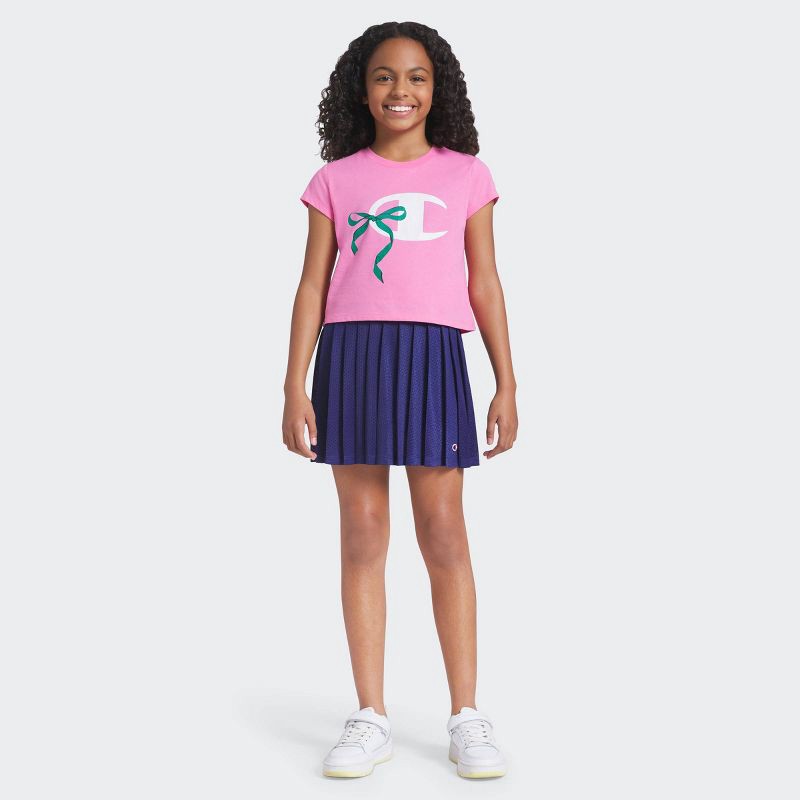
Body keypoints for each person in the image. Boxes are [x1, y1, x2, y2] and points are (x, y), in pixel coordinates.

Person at [282, 21, 518, 780]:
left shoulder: (467, 176)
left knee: (443, 531)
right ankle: (370, 716)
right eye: (384, 76)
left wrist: (506, 381)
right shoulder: (335, 180)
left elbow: (485, 282)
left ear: (437, 88)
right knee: (362, 532)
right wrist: (293, 383)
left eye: (416, 77)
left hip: (433, 357)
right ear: (361, 89)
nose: (400, 90)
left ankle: (466, 715)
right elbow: (312, 285)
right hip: (351, 359)